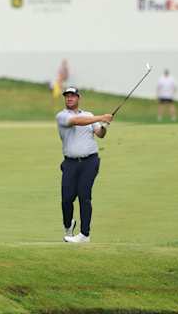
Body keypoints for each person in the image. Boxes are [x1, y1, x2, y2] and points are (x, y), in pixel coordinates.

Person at [56, 87, 113, 243]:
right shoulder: (62, 116)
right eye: (67, 96)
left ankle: (84, 235)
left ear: (78, 98)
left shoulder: (88, 115)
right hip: (70, 163)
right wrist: (101, 117)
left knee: (84, 195)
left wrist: (104, 125)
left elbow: (100, 135)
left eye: (72, 96)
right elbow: (76, 122)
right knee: (66, 199)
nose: (69, 98)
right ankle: (69, 225)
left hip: (90, 161)